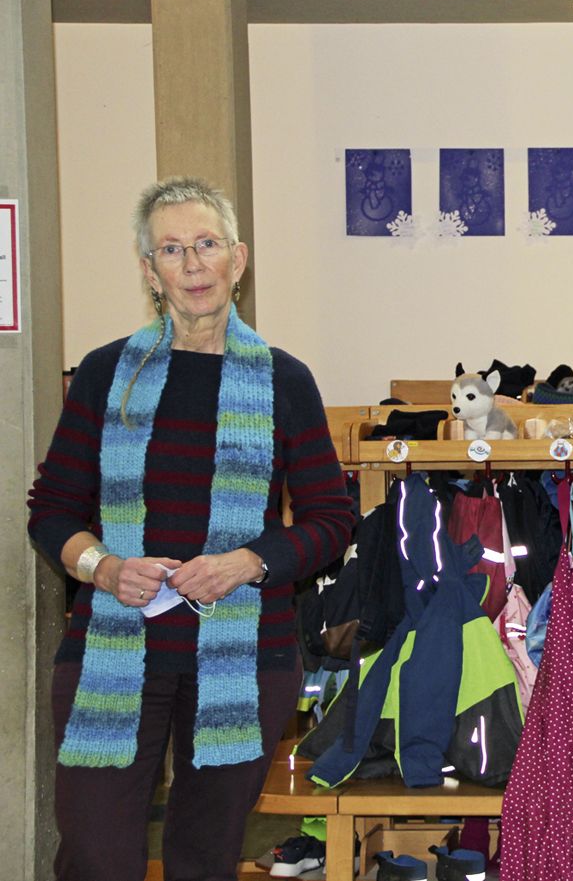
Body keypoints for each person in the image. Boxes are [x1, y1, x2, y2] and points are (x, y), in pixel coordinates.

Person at [28, 177, 356, 881]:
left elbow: (331, 519)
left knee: (205, 859)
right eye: (171, 249)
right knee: (95, 858)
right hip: (112, 651)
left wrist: (248, 561)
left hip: (245, 656)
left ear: (238, 259)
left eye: (207, 244)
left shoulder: (284, 380)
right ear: (150, 271)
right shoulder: (105, 374)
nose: (193, 263)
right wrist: (103, 568)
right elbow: (51, 508)